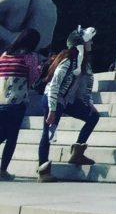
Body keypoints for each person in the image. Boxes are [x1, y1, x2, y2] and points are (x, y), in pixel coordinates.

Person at [37, 27, 100, 180]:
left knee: (93, 117)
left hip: (67, 101)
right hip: (54, 100)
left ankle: (77, 152)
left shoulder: (84, 62)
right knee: (49, 133)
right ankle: (43, 171)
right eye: (88, 40)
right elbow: (54, 85)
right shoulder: (67, 60)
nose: (91, 42)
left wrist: (88, 103)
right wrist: (52, 109)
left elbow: (84, 87)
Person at [0, 28, 43, 180]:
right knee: (11, 136)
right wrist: (39, 70)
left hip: (0, 101)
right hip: (17, 102)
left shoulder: (4, 55)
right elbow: (32, 80)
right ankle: (2, 170)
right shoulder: (29, 57)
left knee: (1, 134)